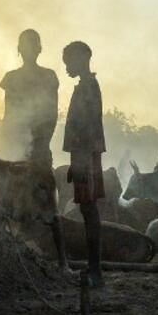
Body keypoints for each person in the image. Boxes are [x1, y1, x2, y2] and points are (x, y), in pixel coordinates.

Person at [62, 41, 106, 288]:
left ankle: (96, 270)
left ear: (81, 58)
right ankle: (94, 267)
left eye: (68, 60)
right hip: (85, 154)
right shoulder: (87, 85)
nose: (66, 66)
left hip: (85, 154)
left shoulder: (88, 87)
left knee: (89, 211)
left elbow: (86, 126)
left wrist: (79, 161)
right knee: (88, 210)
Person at [0, 29, 59, 167]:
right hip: (16, 144)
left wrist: (42, 142)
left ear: (39, 49)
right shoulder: (11, 78)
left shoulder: (48, 76)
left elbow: (51, 114)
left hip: (38, 145)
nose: (29, 50)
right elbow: (9, 114)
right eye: (27, 46)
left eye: (32, 45)